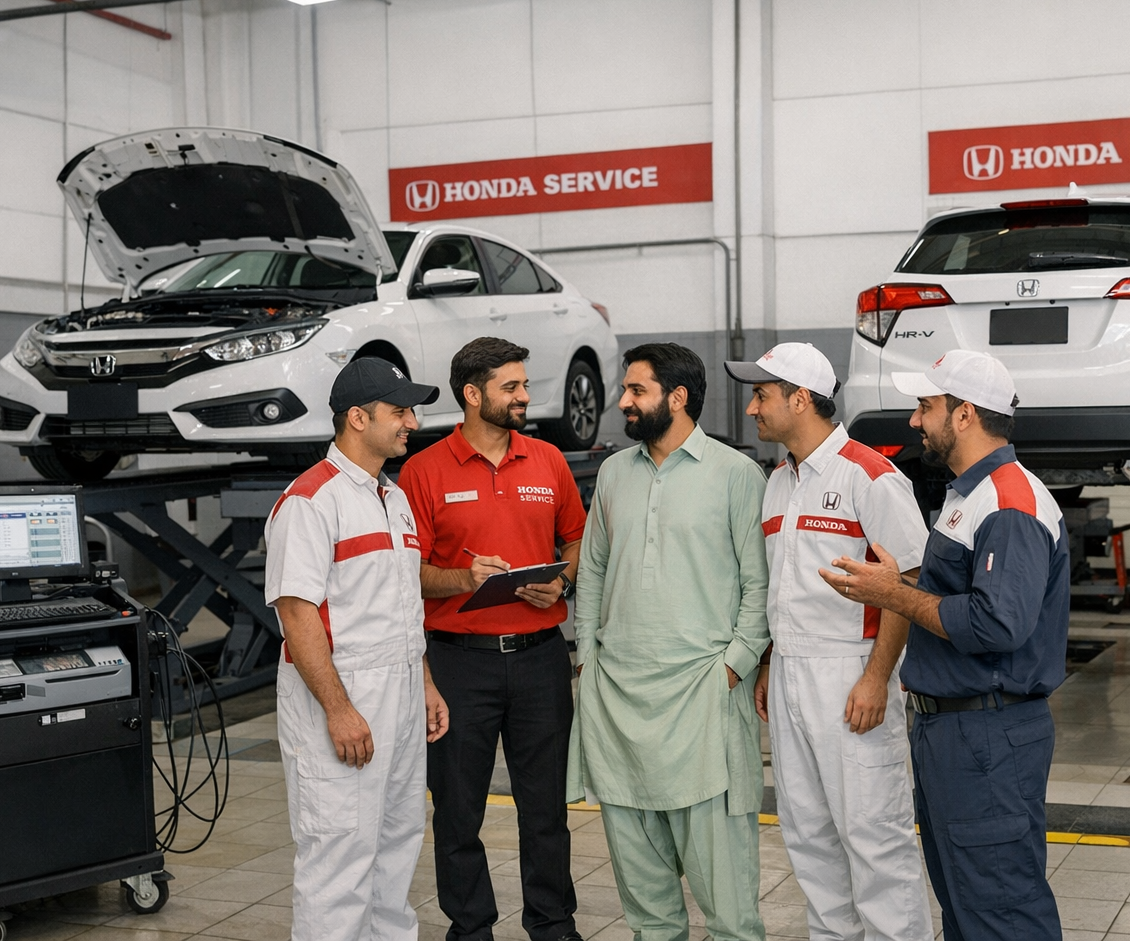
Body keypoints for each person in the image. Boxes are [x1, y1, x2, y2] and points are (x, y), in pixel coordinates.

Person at [819, 350, 1068, 941]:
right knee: (966, 905)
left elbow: (995, 626)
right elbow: (965, 596)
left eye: (926, 407)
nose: (914, 421)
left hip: (988, 736)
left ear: (965, 416)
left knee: (1002, 908)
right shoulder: (967, 495)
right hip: (954, 734)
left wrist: (894, 596)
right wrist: (901, 583)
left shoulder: (1009, 503)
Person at [723, 342, 932, 941]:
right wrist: (770, 662)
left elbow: (908, 584)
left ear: (800, 398)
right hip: (789, 672)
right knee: (809, 837)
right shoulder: (779, 482)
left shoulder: (870, 476)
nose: (751, 410)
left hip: (850, 675)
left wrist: (875, 677)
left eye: (761, 396)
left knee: (874, 839)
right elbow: (779, 586)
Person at [568, 342, 771, 941]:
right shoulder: (612, 472)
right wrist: (588, 658)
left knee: (729, 907)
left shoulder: (736, 475)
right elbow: (595, 571)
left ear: (676, 398)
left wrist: (732, 667)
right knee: (647, 908)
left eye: (637, 391)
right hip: (619, 703)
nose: (623, 402)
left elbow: (758, 585)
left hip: (703, 702)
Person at [398, 337, 588, 941]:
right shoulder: (422, 471)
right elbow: (409, 571)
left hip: (540, 661)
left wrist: (561, 582)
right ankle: (471, 928)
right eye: (512, 386)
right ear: (473, 394)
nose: (525, 396)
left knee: (546, 813)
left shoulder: (548, 460)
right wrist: (463, 577)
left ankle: (554, 926)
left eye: (524, 385)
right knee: (457, 813)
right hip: (458, 663)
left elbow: (578, 543)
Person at [264, 356, 452, 941]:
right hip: (341, 694)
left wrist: (422, 683)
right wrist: (339, 709)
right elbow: (296, 614)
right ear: (356, 418)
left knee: (396, 846)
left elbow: (401, 605)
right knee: (338, 856)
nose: (411, 423)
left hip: (397, 691)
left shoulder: (391, 498)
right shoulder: (310, 500)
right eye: (399, 412)